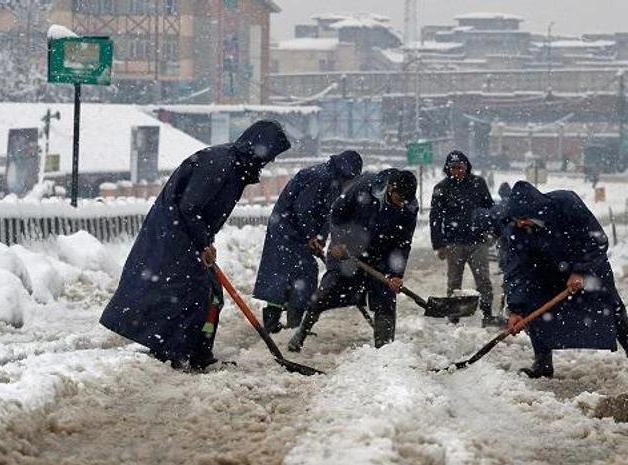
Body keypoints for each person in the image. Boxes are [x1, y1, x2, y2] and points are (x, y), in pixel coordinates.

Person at [100, 120, 291, 371]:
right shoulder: (221, 163)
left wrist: (206, 241)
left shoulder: (234, 165)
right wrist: (203, 242)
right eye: (271, 154)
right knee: (191, 293)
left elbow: (202, 211)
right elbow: (190, 206)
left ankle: (197, 350)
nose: (271, 162)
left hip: (187, 236)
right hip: (175, 237)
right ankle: (172, 350)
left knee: (211, 294)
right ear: (259, 146)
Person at [499, 181, 628, 378]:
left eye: (523, 218)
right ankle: (542, 361)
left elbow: (597, 239)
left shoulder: (566, 203)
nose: (520, 223)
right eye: (516, 220)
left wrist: (580, 270)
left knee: (610, 302)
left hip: (587, 261)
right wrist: (516, 310)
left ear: (536, 211)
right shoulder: (515, 228)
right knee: (533, 304)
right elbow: (516, 269)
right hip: (546, 269)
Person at [287, 168, 419, 352]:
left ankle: (385, 350)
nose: (401, 205)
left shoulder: (410, 207)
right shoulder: (364, 188)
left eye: (406, 201)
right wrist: (338, 242)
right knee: (327, 290)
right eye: (399, 199)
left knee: (385, 298)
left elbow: (403, 243)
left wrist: (396, 274)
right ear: (391, 189)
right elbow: (337, 214)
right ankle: (301, 334)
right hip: (347, 248)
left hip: (380, 255)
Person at [253, 150, 363, 333]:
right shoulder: (320, 177)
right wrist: (311, 235)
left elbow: (328, 215)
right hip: (286, 232)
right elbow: (303, 209)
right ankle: (274, 324)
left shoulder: (335, 181)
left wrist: (319, 238)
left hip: (301, 234)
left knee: (304, 276)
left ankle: (294, 323)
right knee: (281, 277)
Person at [429, 150, 502, 327]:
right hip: (454, 242)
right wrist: (438, 244)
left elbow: (489, 209)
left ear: (466, 166)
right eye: (453, 168)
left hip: (477, 241)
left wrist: (493, 231)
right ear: (448, 169)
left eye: (460, 167)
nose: (457, 171)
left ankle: (487, 313)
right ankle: (453, 315)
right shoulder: (442, 188)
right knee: (454, 281)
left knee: (483, 279)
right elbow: (436, 218)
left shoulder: (478, 184)